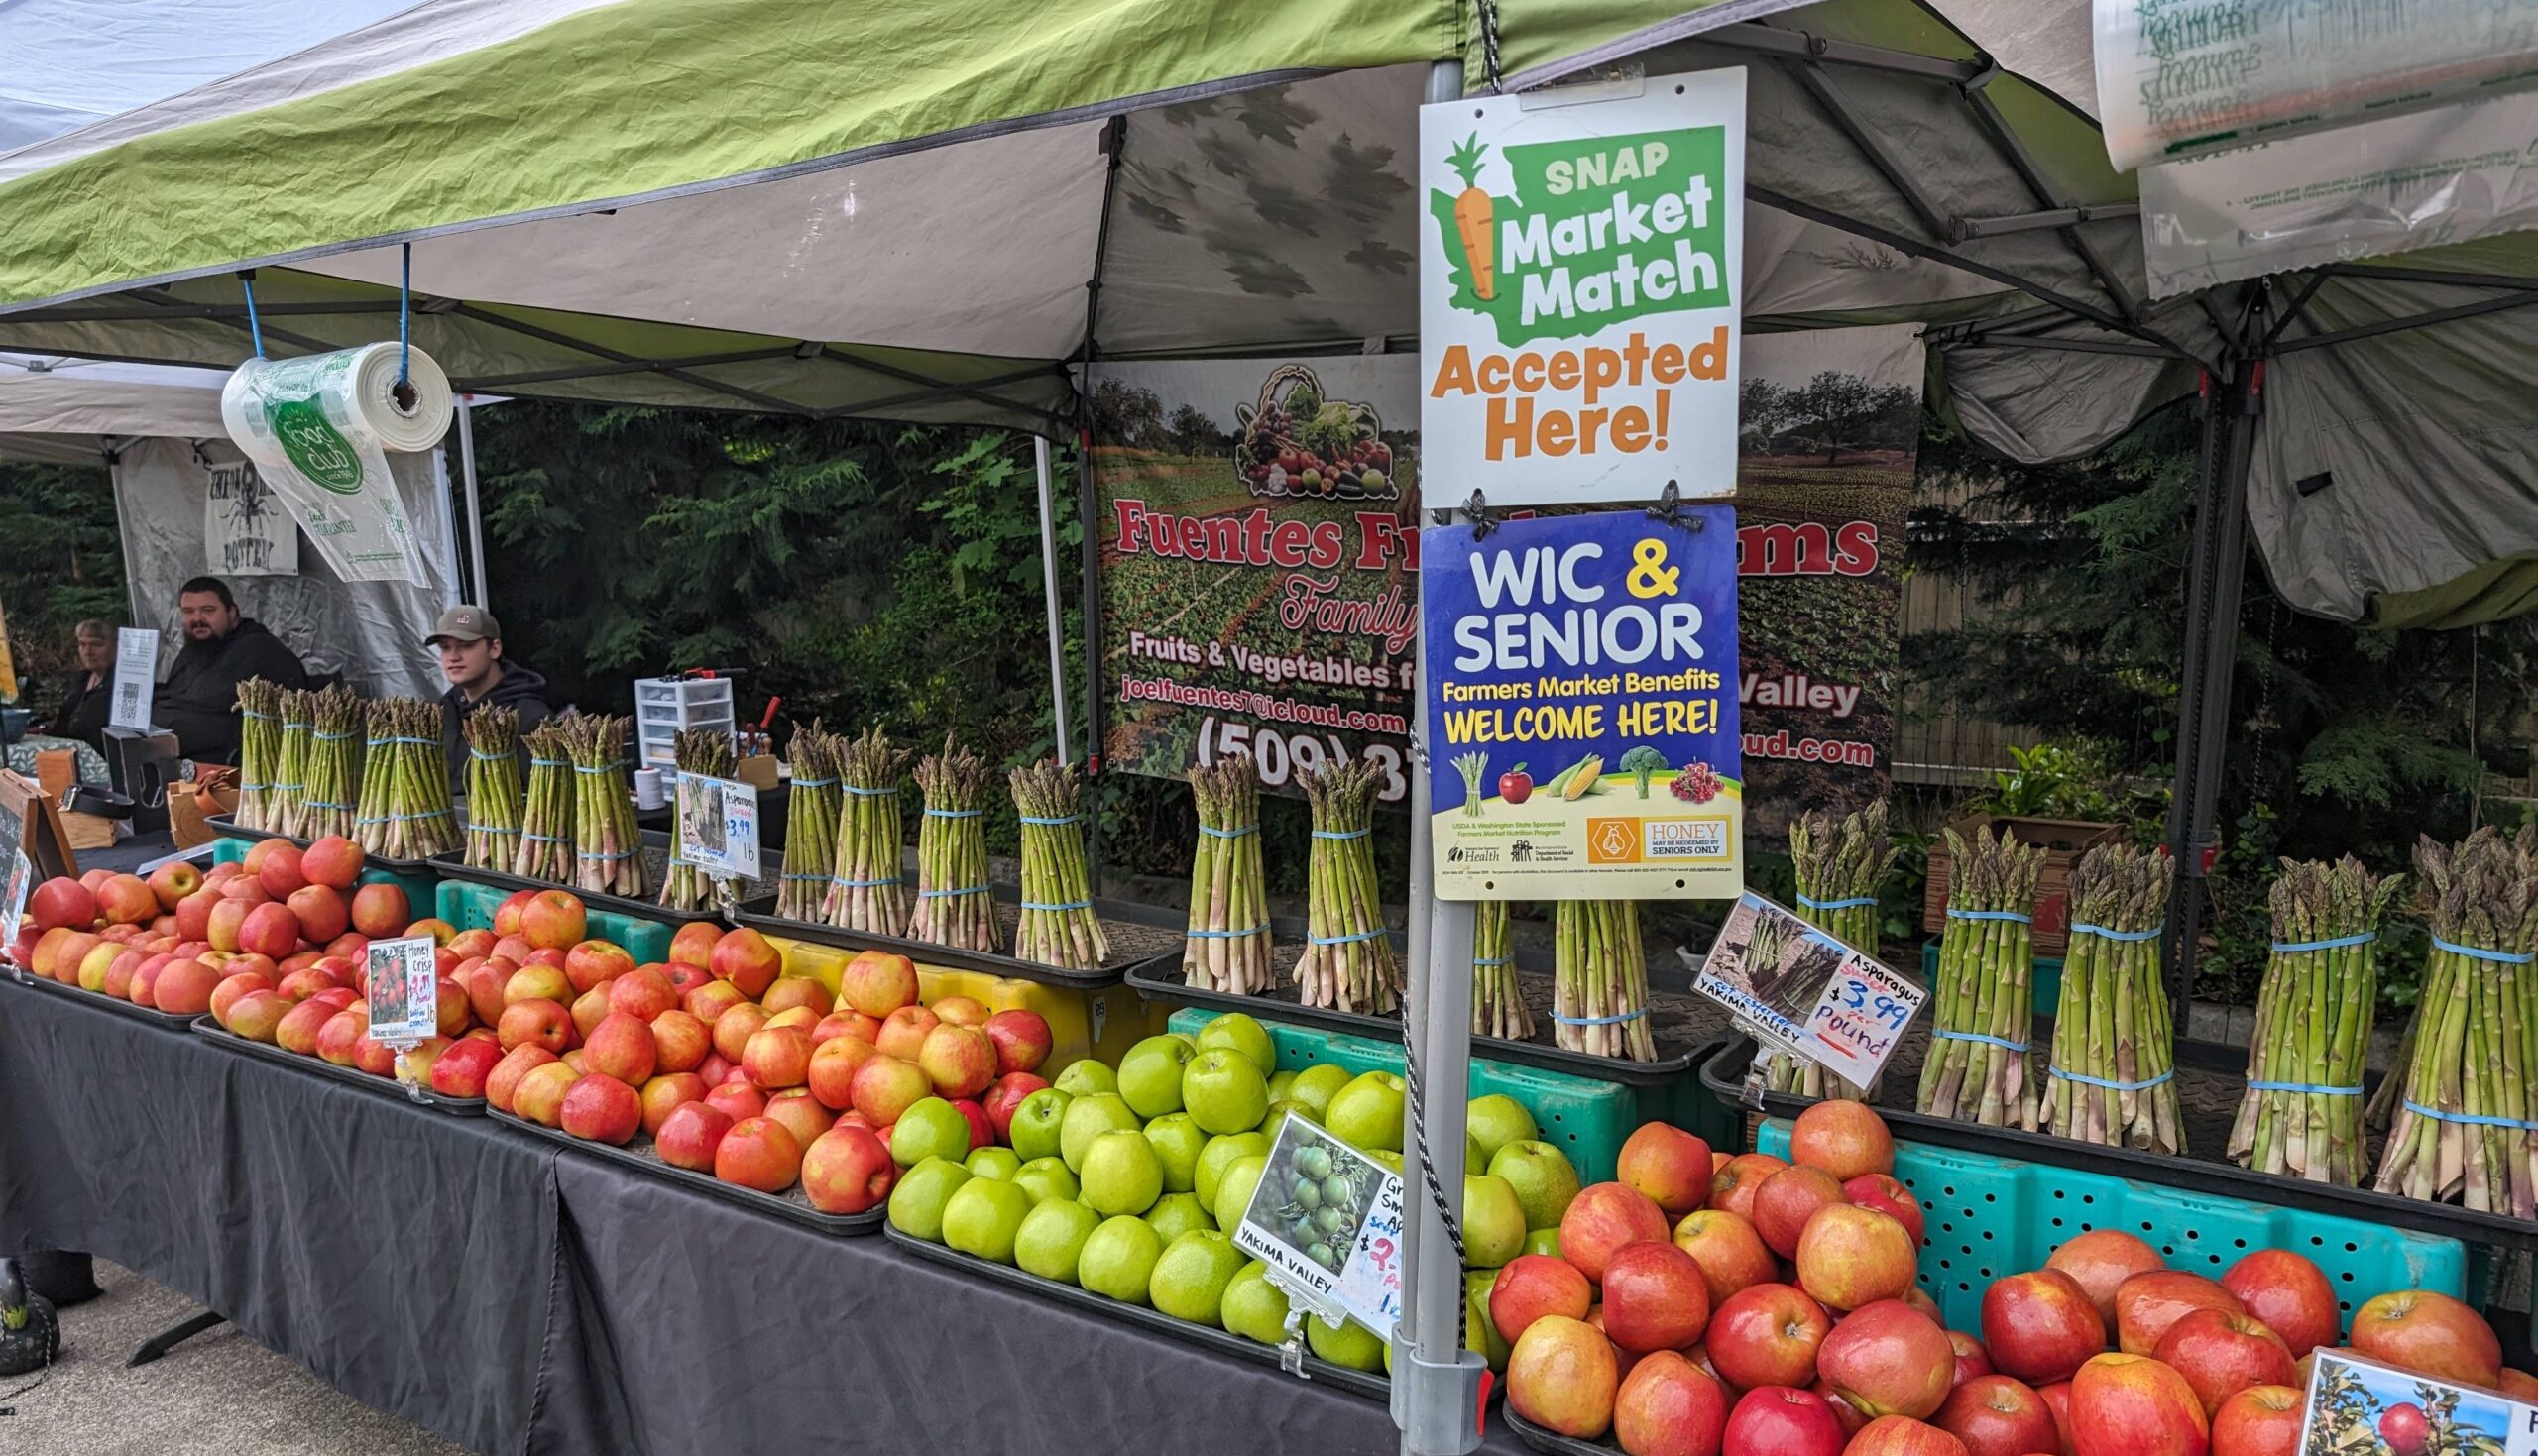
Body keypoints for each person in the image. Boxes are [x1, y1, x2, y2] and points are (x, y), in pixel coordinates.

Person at [158, 577, 307, 764]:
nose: (197, 619)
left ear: (232, 612)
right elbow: (176, 695)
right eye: (189, 611)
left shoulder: (260, 650)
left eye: (208, 610)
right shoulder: (196, 648)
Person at [429, 605, 552, 793]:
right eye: (445, 648)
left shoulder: (531, 716)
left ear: (494, 649)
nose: (453, 657)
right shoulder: (441, 713)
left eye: (466, 645)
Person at [40, 619, 114, 751]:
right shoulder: (81, 679)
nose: (88, 651)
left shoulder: (119, 685)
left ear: (116, 647)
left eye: (96, 644)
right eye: (82, 644)